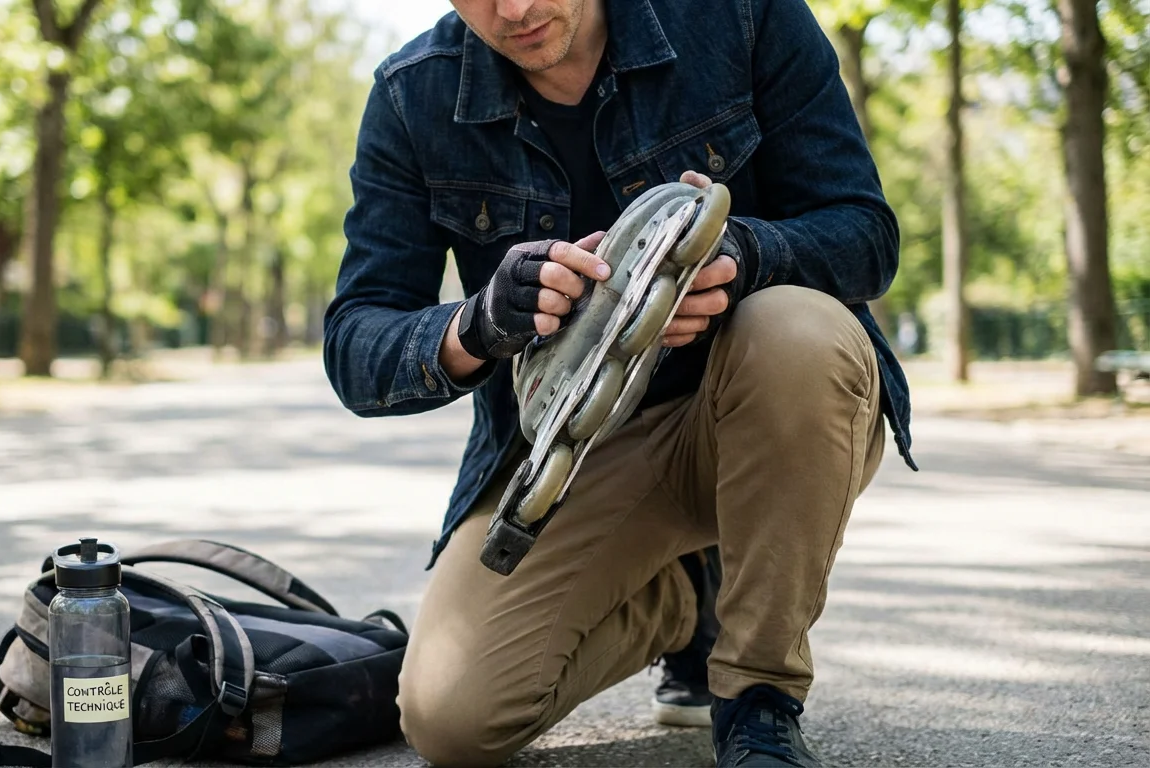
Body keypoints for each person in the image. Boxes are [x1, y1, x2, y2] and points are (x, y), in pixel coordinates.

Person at [322, 0, 918, 765]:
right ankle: (681, 604)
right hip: (573, 457)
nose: (516, 9)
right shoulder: (413, 94)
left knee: (796, 328)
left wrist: (743, 256)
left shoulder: (741, 17)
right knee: (450, 721)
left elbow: (866, 234)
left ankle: (758, 695)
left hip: (768, 407)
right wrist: (479, 322)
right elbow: (354, 343)